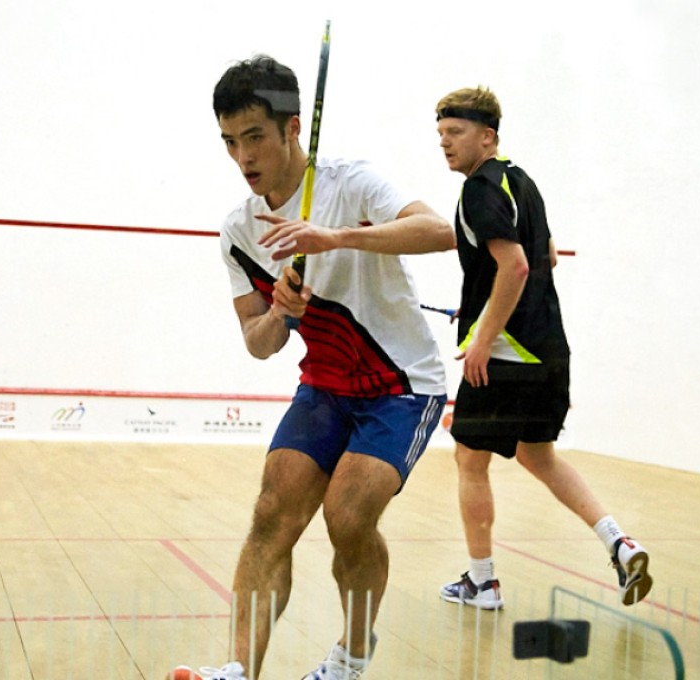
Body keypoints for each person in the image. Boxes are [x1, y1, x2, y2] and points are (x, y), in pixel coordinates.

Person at [168, 55, 454, 680]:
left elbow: (439, 230)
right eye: (229, 142)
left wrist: (336, 237)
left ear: (293, 128)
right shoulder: (239, 231)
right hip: (325, 384)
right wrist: (279, 312)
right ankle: (238, 671)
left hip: (401, 385)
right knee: (274, 510)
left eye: (254, 137)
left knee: (348, 516)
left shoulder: (351, 184)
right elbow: (258, 342)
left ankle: (352, 657)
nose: (243, 157)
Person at [434, 86, 653, 611]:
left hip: (506, 355)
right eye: (440, 134)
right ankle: (619, 543)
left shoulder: (480, 189)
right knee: (539, 456)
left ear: (487, 136)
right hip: (550, 351)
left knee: (469, 459)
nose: (445, 143)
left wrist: (485, 337)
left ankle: (482, 583)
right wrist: (487, 304)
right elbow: (546, 255)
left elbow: (517, 266)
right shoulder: (522, 182)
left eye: (456, 133)